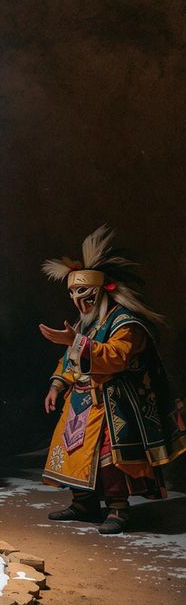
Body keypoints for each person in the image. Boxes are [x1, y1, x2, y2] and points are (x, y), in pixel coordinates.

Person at [40, 226, 186, 534]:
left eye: (83, 292)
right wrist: (57, 384)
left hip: (111, 404)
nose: (77, 300)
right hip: (80, 402)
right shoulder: (87, 324)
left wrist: (76, 341)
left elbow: (116, 356)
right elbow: (69, 360)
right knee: (73, 452)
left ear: (102, 289)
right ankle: (83, 504)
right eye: (72, 293)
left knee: (109, 458)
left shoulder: (125, 323)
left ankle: (118, 508)